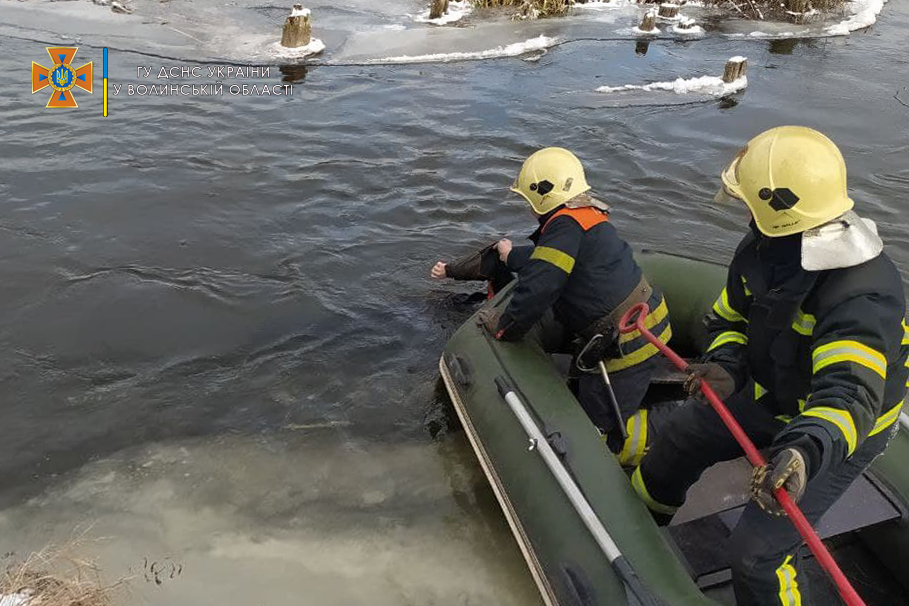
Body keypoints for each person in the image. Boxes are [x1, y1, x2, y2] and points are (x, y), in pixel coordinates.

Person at [630, 126, 909, 605]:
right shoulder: (762, 252)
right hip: (769, 392)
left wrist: (803, 451)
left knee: (758, 558)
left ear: (772, 208)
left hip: (833, 432)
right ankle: (636, 533)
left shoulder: (861, 294)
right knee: (676, 442)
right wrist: (727, 365)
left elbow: (848, 396)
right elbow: (728, 317)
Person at [432, 147, 672, 464]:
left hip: (627, 343)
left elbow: (540, 287)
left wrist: (504, 327)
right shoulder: (584, 218)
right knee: (597, 397)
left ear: (539, 199)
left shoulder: (563, 229)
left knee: (597, 431)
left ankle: (670, 431)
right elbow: (555, 260)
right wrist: (510, 254)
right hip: (646, 321)